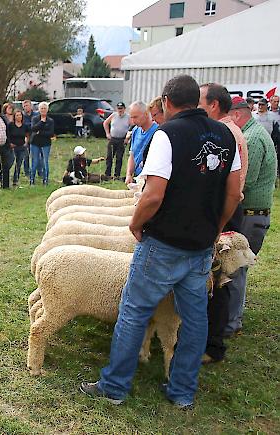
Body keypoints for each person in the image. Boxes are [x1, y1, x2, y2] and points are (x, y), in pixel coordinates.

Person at [81, 75, 241, 409]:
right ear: (196, 102)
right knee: (195, 319)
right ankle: (182, 391)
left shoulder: (168, 134)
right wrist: (217, 227)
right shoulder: (226, 135)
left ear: (167, 101)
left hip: (164, 243)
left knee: (135, 311)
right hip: (199, 247)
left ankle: (114, 387)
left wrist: (136, 223)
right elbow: (233, 193)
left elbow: (153, 193)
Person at [197, 83, 249, 364]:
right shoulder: (228, 131)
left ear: (213, 105)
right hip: (227, 209)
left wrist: (215, 222)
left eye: (201, 101)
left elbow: (229, 186)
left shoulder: (224, 133)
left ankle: (212, 346)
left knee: (218, 279)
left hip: (224, 212)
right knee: (216, 279)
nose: (197, 106)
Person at [226, 96, 277, 337]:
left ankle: (231, 322)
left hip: (251, 214)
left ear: (236, 115)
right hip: (254, 213)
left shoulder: (252, 139)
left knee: (236, 268)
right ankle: (231, 318)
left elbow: (246, 181)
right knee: (237, 268)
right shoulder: (254, 134)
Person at [125, 101, 158, 184]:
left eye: (135, 117)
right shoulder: (135, 130)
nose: (133, 121)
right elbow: (132, 155)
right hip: (137, 179)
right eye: (131, 117)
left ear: (146, 114)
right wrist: (129, 174)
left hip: (151, 179)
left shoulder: (157, 130)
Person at [102, 102, 130, 179]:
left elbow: (132, 127)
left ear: (124, 109)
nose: (120, 110)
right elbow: (105, 123)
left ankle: (116, 175)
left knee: (119, 158)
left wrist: (127, 138)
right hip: (113, 139)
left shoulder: (128, 117)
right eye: (118, 108)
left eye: (121, 108)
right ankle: (107, 174)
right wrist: (107, 133)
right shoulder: (113, 115)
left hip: (122, 140)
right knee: (109, 157)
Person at [29, 102, 55, 185]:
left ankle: (45, 180)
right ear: (39, 110)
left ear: (47, 110)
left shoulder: (50, 121)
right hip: (35, 143)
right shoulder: (35, 119)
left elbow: (51, 133)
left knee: (45, 162)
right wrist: (42, 122)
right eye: (42, 108)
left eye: (45, 108)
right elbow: (33, 129)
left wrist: (40, 132)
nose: (43, 110)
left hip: (46, 144)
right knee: (35, 162)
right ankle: (32, 180)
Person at [9, 110, 30, 186]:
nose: (19, 117)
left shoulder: (25, 126)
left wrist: (26, 142)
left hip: (21, 147)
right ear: (14, 116)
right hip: (13, 147)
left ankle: (15, 179)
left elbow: (27, 134)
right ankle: (6, 178)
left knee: (19, 164)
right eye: (17, 115)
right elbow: (7, 135)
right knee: (11, 162)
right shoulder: (11, 125)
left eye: (20, 115)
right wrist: (10, 143)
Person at [22, 99, 36, 175]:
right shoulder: (22, 116)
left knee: (36, 156)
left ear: (31, 106)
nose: (26, 107)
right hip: (26, 138)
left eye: (27, 105)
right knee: (26, 156)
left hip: (35, 137)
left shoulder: (36, 115)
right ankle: (27, 172)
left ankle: (37, 171)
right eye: (24, 106)